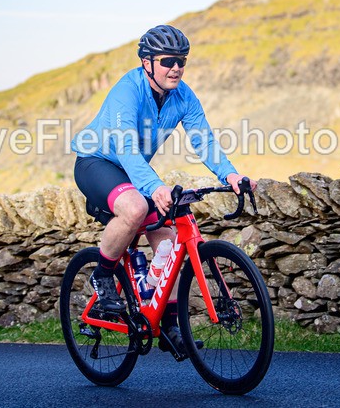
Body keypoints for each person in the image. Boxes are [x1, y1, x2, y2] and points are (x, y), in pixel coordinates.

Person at [71, 24, 256, 357]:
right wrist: (154, 186)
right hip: (96, 162)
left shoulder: (184, 95)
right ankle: (101, 276)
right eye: (168, 60)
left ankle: (168, 326)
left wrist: (230, 174)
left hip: (132, 170)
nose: (176, 68)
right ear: (147, 63)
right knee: (135, 208)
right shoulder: (127, 92)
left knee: (169, 243)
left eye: (182, 61)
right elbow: (126, 147)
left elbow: (203, 139)